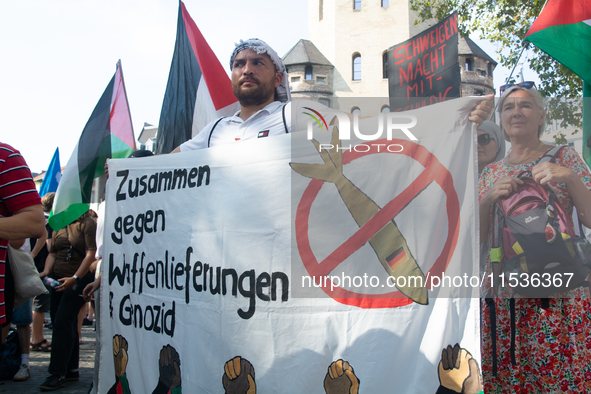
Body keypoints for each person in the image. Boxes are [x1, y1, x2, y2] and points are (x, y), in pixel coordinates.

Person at [173, 38, 494, 153]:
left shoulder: (294, 115)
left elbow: (366, 129)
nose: (247, 70)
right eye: (239, 64)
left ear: (279, 77)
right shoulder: (216, 131)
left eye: (258, 63)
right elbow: (164, 167)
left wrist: (452, 116)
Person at [478, 83, 591, 393]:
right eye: (508, 107)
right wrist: (487, 199)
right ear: (501, 118)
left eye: (525, 105)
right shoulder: (491, 173)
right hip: (507, 292)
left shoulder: (564, 157)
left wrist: (567, 177)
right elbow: (479, 238)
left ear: (541, 115)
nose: (516, 112)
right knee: (512, 376)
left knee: (558, 374)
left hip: (558, 288)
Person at [39, 209, 97, 391]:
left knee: (63, 321)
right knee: (64, 323)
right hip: (58, 279)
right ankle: (71, 369)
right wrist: (47, 272)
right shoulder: (59, 224)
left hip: (78, 281)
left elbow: (91, 253)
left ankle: (57, 374)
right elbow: (53, 253)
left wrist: (76, 278)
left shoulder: (88, 223)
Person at [0, 142, 45, 377]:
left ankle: (24, 361)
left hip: (15, 277)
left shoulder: (5, 157)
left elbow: (35, 224)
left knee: (23, 321)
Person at [31, 192, 55, 353]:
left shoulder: (38, 219)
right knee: (40, 305)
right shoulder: (50, 222)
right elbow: (50, 248)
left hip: (35, 266)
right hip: (42, 268)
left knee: (37, 304)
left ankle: (36, 337)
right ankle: (37, 338)